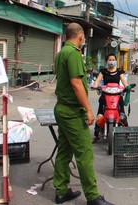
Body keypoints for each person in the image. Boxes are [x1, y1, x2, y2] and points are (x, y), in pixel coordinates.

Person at [53, 23, 113, 205]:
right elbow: (76, 83)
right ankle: (93, 197)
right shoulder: (73, 53)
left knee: (64, 150)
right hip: (71, 112)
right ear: (80, 36)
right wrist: (88, 109)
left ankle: (61, 191)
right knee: (85, 153)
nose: (84, 40)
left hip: (62, 108)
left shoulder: (62, 52)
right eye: (84, 38)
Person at [92, 53, 128, 143]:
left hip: (117, 95)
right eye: (110, 60)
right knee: (100, 113)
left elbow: (124, 81)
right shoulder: (103, 71)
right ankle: (96, 134)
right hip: (105, 95)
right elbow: (97, 81)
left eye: (113, 60)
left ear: (116, 61)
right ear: (106, 61)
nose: (111, 61)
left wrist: (127, 87)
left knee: (122, 113)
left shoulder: (119, 71)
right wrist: (95, 86)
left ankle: (127, 134)